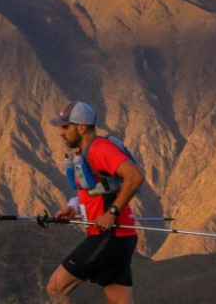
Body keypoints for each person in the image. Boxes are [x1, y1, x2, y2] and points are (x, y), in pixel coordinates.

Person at [46, 101, 145, 304]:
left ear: (81, 127)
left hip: (109, 236)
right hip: (120, 237)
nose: (61, 133)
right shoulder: (86, 153)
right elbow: (92, 191)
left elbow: (134, 177)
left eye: (65, 127)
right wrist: (73, 208)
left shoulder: (100, 149)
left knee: (56, 287)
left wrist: (112, 212)